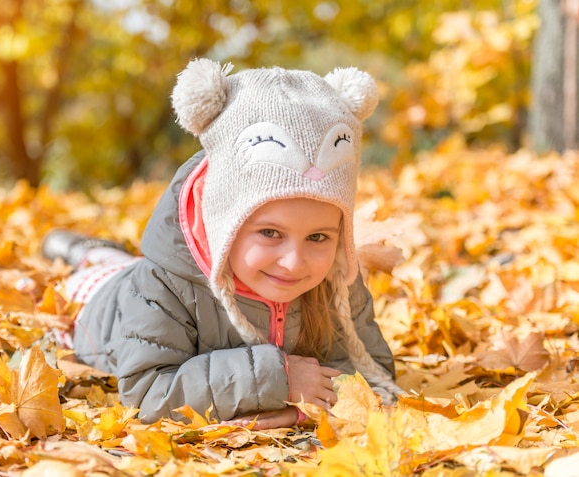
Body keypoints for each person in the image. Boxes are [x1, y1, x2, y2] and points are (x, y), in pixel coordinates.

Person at [42, 58, 402, 430]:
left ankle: (102, 252)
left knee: (122, 261)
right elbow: (148, 392)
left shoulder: (336, 278)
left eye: (317, 237)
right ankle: (85, 252)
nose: (294, 263)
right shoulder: (162, 285)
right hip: (99, 301)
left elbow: (370, 371)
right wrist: (275, 379)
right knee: (102, 270)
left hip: (137, 277)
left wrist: (305, 408)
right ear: (223, 221)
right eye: (270, 233)